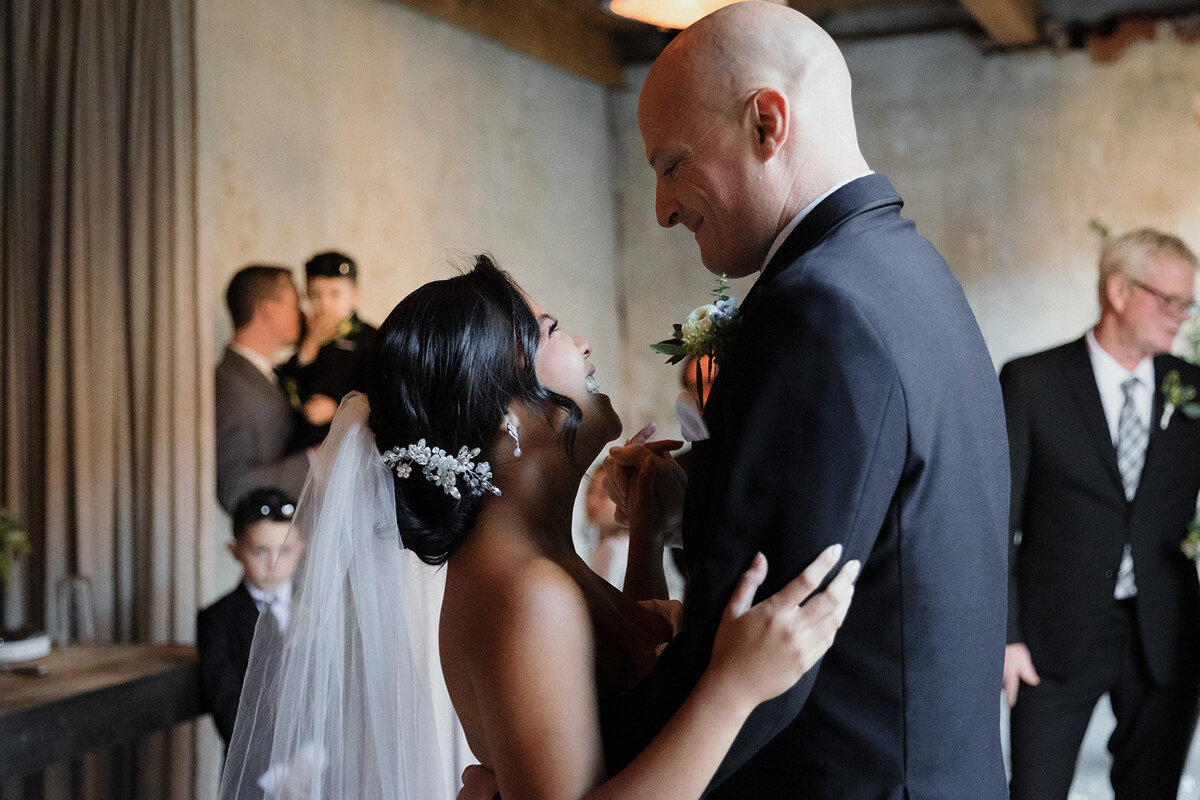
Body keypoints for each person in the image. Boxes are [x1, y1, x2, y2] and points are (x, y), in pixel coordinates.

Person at [219, 255, 859, 800]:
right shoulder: (525, 591)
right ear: (506, 418)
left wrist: (649, 537)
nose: (581, 345)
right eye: (551, 331)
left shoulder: (526, 561)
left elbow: (615, 700)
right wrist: (734, 688)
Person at [602, 3, 1011, 797]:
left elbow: (758, 646)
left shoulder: (818, 309)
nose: (662, 208)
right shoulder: (909, 271)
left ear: (766, 121)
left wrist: (574, 769)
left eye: (672, 163)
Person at [1001, 229, 1200, 800]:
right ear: (1117, 290)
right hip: (1051, 640)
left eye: (1188, 304)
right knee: (1035, 793)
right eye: (1168, 301)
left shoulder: (1191, 390)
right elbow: (1000, 521)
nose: (1181, 317)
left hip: (1165, 635)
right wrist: (1006, 637)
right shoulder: (1031, 382)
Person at [197, 488, 302, 749]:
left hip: (323, 766)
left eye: (285, 550)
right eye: (260, 551)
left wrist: (313, 758)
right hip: (255, 773)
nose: (273, 563)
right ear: (235, 550)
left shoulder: (321, 608)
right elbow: (227, 705)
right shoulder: (217, 620)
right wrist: (278, 774)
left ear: (302, 546)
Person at [216, 265, 310, 513]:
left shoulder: (272, 374)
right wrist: (315, 461)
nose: (301, 313)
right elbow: (234, 487)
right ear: (269, 310)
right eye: (294, 303)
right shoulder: (230, 384)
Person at [278, 251, 378, 449]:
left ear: (355, 296)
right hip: (304, 447)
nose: (324, 305)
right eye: (315, 295)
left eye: (334, 294)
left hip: (351, 446)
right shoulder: (302, 335)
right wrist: (308, 348)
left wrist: (337, 410)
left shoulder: (373, 339)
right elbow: (282, 386)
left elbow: (381, 399)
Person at [584, 462, 630, 589]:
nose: (591, 501)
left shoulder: (613, 548)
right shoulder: (620, 545)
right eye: (590, 490)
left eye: (604, 494)